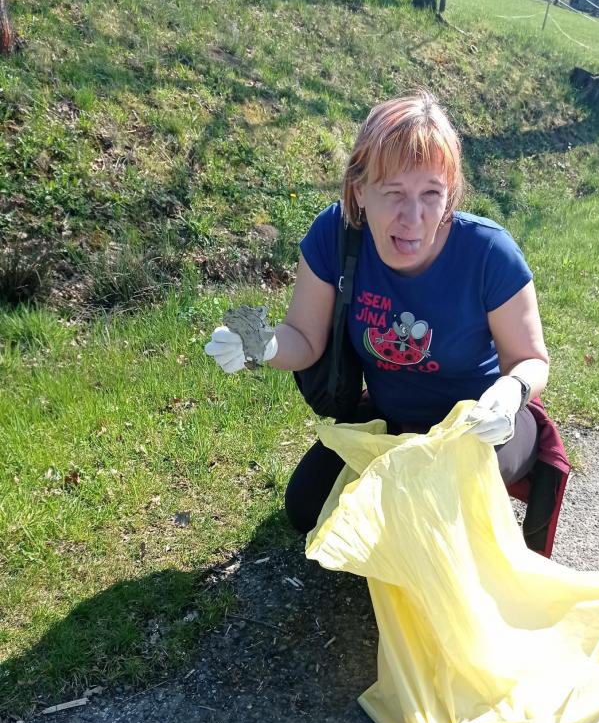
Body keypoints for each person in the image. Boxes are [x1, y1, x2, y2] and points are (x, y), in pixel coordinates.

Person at [205, 92, 550, 535]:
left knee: (438, 495)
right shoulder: (335, 235)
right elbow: (304, 338)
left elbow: (531, 359)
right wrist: (262, 344)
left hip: (484, 427)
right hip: (389, 421)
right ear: (359, 189)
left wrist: (511, 391)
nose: (413, 217)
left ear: (449, 193)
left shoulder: (488, 252)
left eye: (431, 193)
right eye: (394, 192)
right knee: (307, 507)